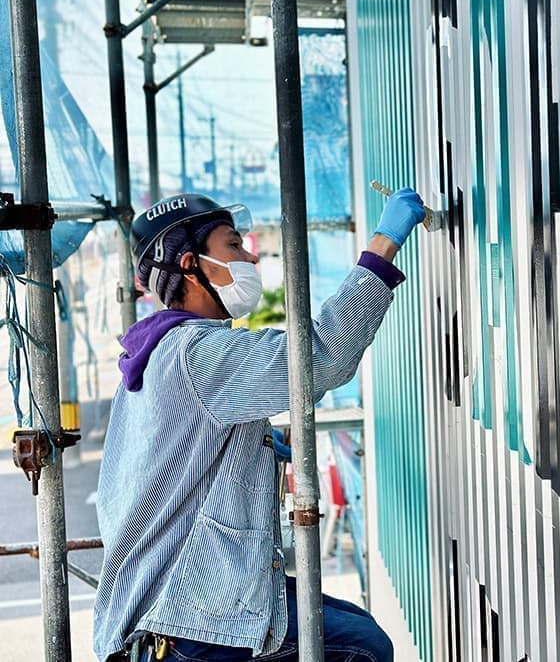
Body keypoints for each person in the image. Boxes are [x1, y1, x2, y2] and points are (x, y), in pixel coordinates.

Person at [93, 189, 425, 662]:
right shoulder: (195, 354)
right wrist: (382, 248)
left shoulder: (157, 355)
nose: (250, 254)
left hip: (175, 605)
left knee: (358, 627)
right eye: (233, 245)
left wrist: (261, 444)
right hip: (188, 621)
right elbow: (320, 356)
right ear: (191, 264)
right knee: (363, 649)